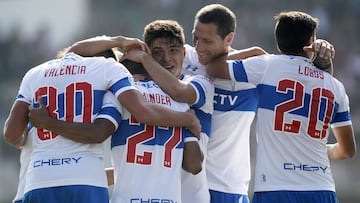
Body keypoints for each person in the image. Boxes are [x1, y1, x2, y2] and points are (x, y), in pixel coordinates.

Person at [3, 37, 201, 203]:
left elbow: (11, 135)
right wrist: (189, 120)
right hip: (87, 181)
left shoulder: (35, 74)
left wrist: (35, 133)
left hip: (37, 182)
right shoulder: (109, 72)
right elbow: (136, 115)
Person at [181, 4, 336, 203]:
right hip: (183, 183)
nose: (199, 46)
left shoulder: (252, 69)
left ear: (228, 39)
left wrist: (322, 58)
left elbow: (312, 85)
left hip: (228, 188)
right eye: (195, 38)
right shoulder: (181, 56)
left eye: (207, 41)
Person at [65, 19, 215, 203]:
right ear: (147, 55)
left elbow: (99, 132)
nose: (166, 59)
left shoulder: (122, 96)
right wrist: (189, 121)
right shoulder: (182, 106)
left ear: (184, 53)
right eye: (157, 53)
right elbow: (193, 164)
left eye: (173, 50)